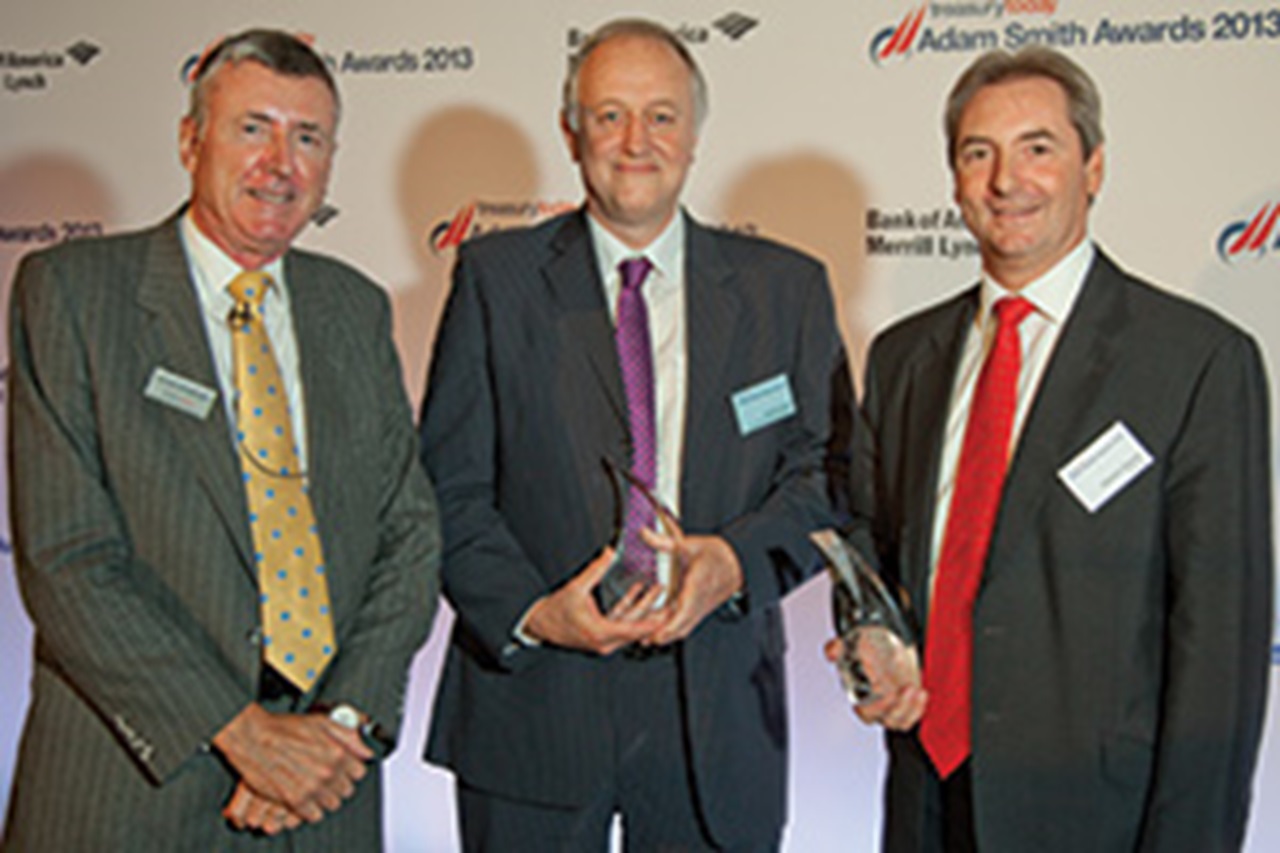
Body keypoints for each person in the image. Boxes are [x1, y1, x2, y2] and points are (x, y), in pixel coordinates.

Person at [3, 28, 440, 850]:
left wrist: (338, 729)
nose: (280, 163)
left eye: (307, 138)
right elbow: (67, 557)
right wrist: (243, 733)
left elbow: (409, 535)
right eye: (253, 128)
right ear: (189, 140)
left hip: (321, 796)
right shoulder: (73, 294)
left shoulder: (353, 308)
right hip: (130, 795)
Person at [419, 17, 849, 852]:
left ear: (694, 134)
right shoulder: (496, 281)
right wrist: (536, 613)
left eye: (660, 115)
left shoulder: (785, 290)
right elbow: (447, 487)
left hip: (716, 717)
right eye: (609, 115)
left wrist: (733, 565)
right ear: (570, 132)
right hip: (535, 706)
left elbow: (826, 477)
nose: (635, 141)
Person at [838, 46, 1272, 852]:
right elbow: (867, 539)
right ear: (955, 179)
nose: (1008, 180)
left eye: (1037, 148)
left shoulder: (1196, 361)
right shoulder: (903, 358)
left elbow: (1219, 647)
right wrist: (871, 633)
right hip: (925, 800)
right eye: (979, 153)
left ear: (1093, 167)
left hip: (1100, 816)